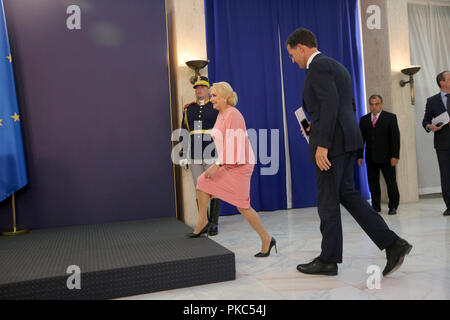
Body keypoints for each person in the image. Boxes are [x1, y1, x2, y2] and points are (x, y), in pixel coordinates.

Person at [285, 28, 412, 276]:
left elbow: (330, 104)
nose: (292, 60)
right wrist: (317, 126)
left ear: (301, 47)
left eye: (291, 55)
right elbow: (344, 105)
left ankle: (329, 259)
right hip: (345, 140)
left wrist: (322, 143)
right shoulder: (337, 66)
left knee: (327, 202)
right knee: (348, 195)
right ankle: (393, 243)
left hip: (332, 145)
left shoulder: (317, 67)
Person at [188, 82, 277, 258]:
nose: (210, 98)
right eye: (210, 95)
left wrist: (217, 165)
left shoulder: (233, 114)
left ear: (225, 97)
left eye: (214, 96)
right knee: (202, 182)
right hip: (228, 163)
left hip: (240, 166)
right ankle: (203, 221)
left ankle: (267, 239)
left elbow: (234, 144)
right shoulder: (221, 114)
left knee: (243, 206)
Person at [180, 76, 221, 235]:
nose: (199, 90)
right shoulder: (188, 109)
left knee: (215, 188)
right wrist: (183, 153)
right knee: (200, 188)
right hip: (195, 153)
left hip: (212, 151)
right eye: (197, 88)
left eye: (202, 87)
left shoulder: (215, 106)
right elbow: (184, 131)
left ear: (208, 89)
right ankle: (203, 221)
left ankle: (214, 223)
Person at [357, 95, 400, 215]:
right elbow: (361, 140)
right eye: (371, 104)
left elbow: (395, 138)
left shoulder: (390, 117)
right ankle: (376, 206)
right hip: (371, 157)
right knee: (373, 183)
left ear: (381, 104)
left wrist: (395, 156)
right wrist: (359, 156)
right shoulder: (364, 120)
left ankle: (393, 206)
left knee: (391, 183)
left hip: (387, 158)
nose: (374, 107)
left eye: (376, 104)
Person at [422, 71, 450, 216]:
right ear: (442, 83)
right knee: (446, 175)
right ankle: (449, 206)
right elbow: (425, 121)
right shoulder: (432, 101)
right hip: (443, 144)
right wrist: (429, 126)